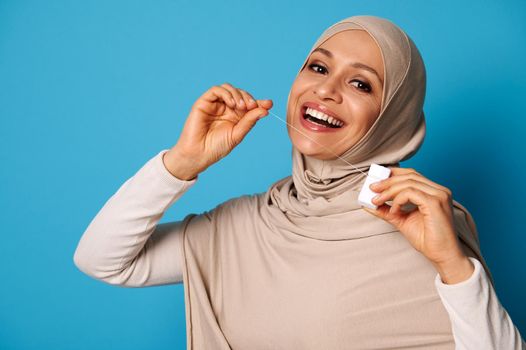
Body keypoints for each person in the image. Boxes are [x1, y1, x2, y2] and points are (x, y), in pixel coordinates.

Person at [73, 15, 525, 349]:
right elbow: (103, 261)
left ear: (393, 118)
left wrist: (453, 265)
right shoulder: (245, 226)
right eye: (318, 67)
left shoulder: (426, 230)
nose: (326, 90)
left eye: (361, 85)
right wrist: (180, 163)